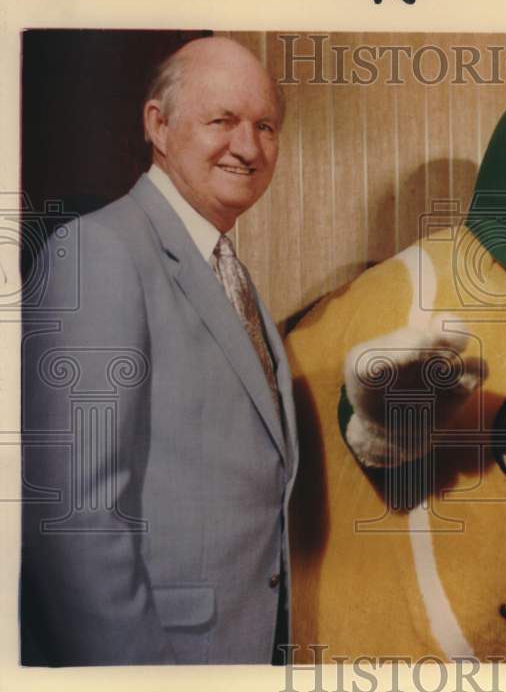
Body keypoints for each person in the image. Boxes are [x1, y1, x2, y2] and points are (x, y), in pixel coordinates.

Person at [21, 37, 299, 665]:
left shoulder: (230, 271)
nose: (248, 147)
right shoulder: (98, 254)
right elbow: (73, 520)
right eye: (222, 121)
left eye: (265, 126)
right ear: (159, 126)